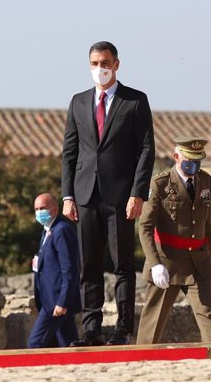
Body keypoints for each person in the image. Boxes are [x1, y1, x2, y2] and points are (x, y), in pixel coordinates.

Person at [62, 41, 155, 346]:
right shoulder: (78, 102)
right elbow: (70, 153)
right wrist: (67, 196)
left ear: (116, 64)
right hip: (85, 194)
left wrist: (137, 193)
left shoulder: (135, 101)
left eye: (105, 63)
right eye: (94, 63)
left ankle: (123, 329)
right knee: (88, 265)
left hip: (120, 196)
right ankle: (91, 329)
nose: (99, 69)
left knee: (122, 265)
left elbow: (146, 149)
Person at [136, 137, 211, 344]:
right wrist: (155, 264)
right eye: (189, 161)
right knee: (154, 318)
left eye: (198, 161)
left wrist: (209, 254)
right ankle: (141, 357)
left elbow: (207, 221)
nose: (193, 165)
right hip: (167, 262)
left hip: (198, 261)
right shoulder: (160, 183)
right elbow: (146, 227)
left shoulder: (205, 180)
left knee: (208, 314)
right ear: (176, 157)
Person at [27, 193, 81, 348]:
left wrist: (62, 301)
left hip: (56, 302)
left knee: (35, 344)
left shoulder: (61, 230)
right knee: (68, 344)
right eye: (36, 209)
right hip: (49, 301)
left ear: (55, 209)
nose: (39, 212)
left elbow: (69, 269)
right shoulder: (46, 231)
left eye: (42, 208)